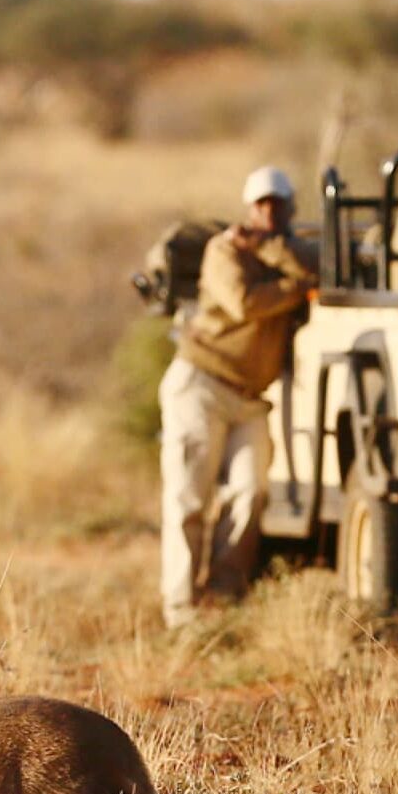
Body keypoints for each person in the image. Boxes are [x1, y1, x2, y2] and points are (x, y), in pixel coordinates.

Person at [159, 165, 316, 629]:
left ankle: (225, 596)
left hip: (250, 396)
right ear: (250, 207)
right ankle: (182, 609)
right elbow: (245, 302)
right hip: (202, 383)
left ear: (289, 208)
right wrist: (298, 288)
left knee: (250, 492)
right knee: (189, 498)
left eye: (277, 204)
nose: (268, 212)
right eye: (261, 204)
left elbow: (321, 266)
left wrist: (276, 254)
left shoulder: (284, 250)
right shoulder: (224, 249)